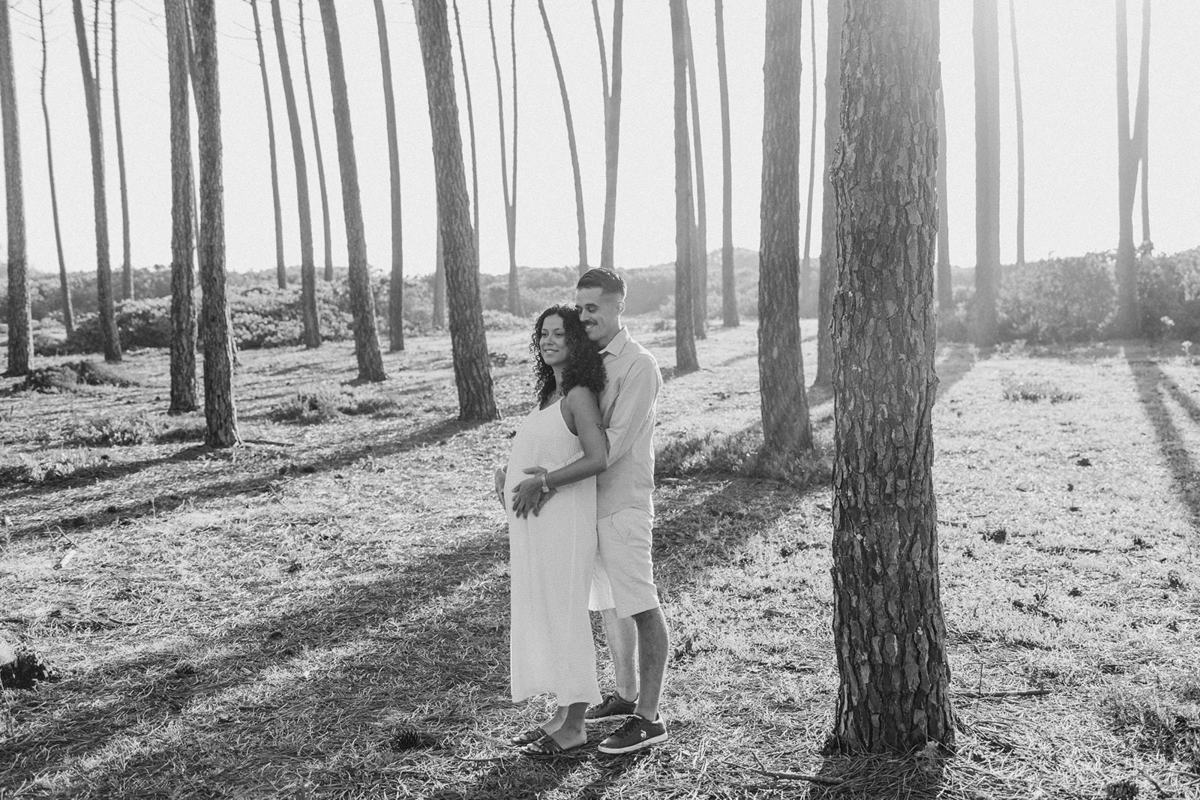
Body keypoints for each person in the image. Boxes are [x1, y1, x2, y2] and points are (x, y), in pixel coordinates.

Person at [511, 268, 670, 755]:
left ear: (620, 305)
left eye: (594, 307)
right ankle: (623, 695)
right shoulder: (588, 363)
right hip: (582, 507)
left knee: (639, 604)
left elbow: (609, 446)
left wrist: (548, 479)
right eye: (580, 307)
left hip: (620, 504)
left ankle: (649, 718)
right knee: (604, 604)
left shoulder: (638, 365)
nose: (585, 316)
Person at [497, 304, 609, 757]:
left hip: (565, 524)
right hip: (537, 528)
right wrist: (507, 479)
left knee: (566, 615)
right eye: (543, 333)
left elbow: (598, 457)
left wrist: (542, 483)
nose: (548, 340)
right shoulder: (549, 395)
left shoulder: (578, 395)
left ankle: (576, 725)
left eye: (559, 333)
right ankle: (562, 713)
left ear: (575, 341)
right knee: (548, 612)